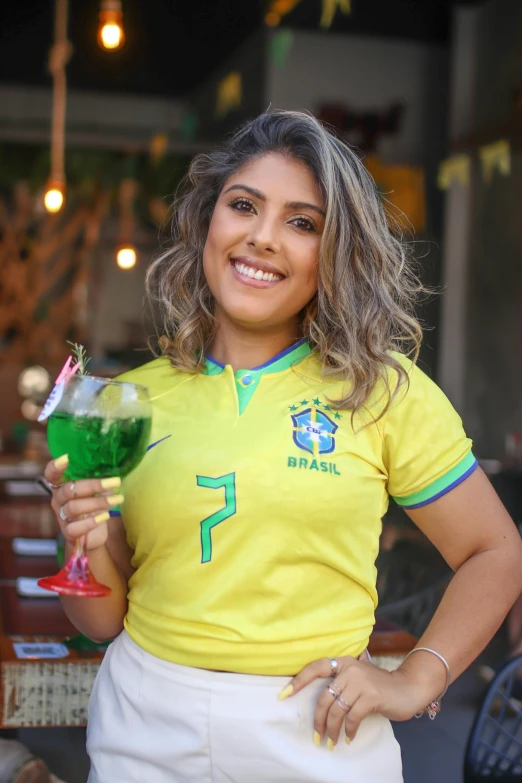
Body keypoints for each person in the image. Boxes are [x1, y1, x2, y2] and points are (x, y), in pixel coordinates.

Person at [44, 110, 522, 783]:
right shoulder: (130, 401)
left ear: (335, 253)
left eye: (303, 222)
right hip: (145, 725)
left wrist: (417, 676)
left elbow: (495, 551)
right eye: (243, 206)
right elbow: (100, 620)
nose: (263, 238)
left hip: (316, 732)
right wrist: (81, 537)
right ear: (209, 221)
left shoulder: (382, 390)